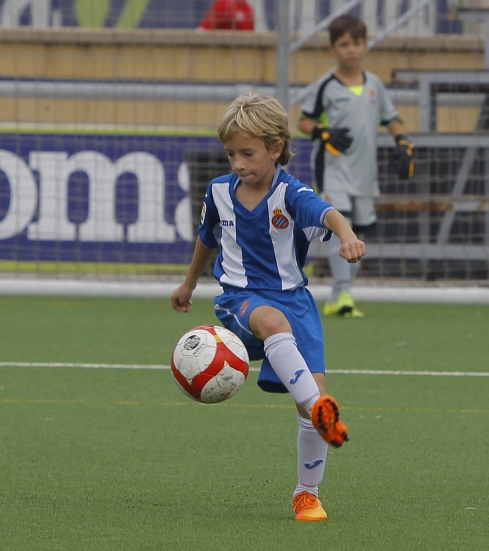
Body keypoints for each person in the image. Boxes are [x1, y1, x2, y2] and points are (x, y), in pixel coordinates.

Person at [171, 91, 362, 521]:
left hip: (296, 302)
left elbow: (327, 213)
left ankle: (306, 494)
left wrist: (347, 236)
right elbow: (207, 239)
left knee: (309, 405)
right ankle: (319, 410)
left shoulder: (290, 192)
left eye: (248, 153)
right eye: (231, 154)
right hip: (239, 300)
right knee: (273, 324)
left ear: (276, 149)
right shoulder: (220, 192)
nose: (238, 163)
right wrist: (187, 285)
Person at [299, 14, 413, 318]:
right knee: (341, 225)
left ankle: (339, 294)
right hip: (333, 170)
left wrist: (403, 143)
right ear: (333, 49)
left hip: (364, 173)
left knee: (359, 232)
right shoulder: (326, 85)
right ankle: (345, 291)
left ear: (365, 45)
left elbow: (394, 120)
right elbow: (303, 120)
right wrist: (322, 132)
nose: (351, 50)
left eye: (356, 43)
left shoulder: (375, 84)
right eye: (344, 44)